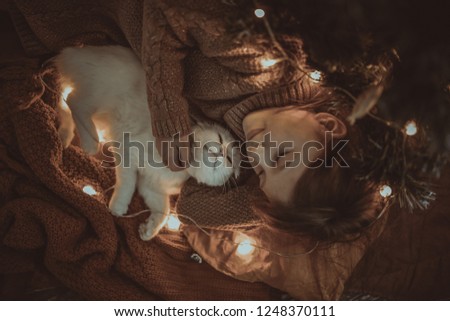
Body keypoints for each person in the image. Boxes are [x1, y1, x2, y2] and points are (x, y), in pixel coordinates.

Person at [8, 0, 382, 241]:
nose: (256, 154)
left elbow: (190, 207)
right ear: (329, 126)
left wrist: (276, 203)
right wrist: (172, 131)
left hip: (81, 42)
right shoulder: (265, 61)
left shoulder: (249, 146)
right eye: (281, 155)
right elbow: (166, 11)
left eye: (264, 172)